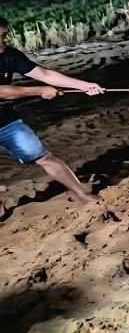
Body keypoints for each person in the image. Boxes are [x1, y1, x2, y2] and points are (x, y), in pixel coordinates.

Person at [0, 16, 105, 203]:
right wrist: (39, 90)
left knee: (45, 157)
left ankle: (83, 195)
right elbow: (2, 92)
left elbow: (45, 74)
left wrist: (84, 85)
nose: (4, 40)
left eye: (5, 35)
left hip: (5, 121)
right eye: (0, 36)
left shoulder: (10, 55)